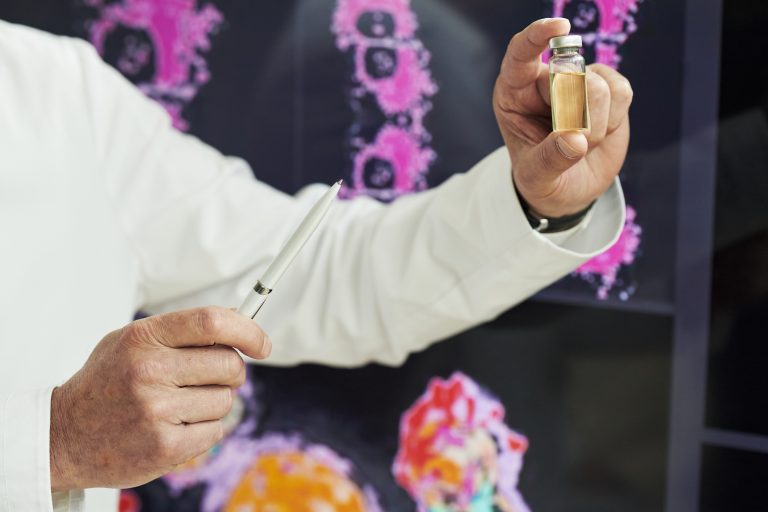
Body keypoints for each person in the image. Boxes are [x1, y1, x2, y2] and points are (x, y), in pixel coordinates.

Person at [0, 16, 631, 512]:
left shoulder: (51, 89)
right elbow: (50, 442)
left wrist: (529, 198)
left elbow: (322, 274)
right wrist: (48, 445)